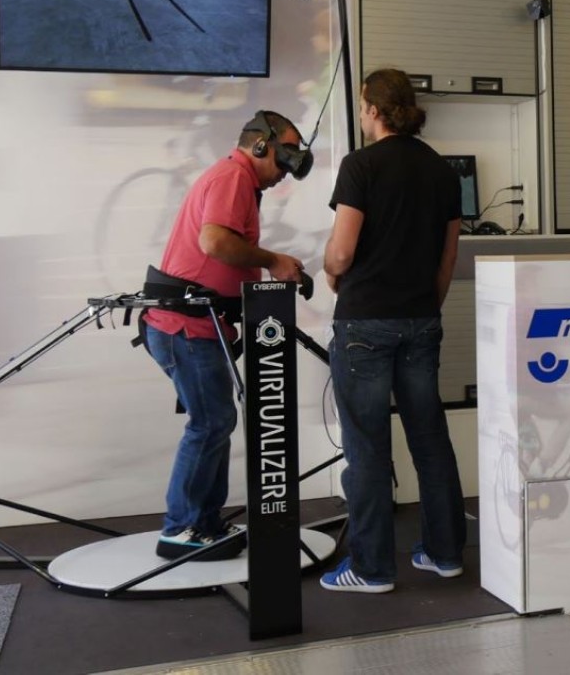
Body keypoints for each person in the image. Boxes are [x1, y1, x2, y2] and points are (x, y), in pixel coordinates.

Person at [319, 68, 466, 594]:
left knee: (367, 448)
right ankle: (445, 554)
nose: (361, 114)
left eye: (363, 106)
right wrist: (426, 308)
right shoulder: (443, 172)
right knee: (430, 440)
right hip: (421, 320)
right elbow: (448, 258)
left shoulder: (360, 165)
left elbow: (341, 252)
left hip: (364, 322)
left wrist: (330, 271)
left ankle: (372, 569)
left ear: (374, 110)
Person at [143, 110, 310, 561]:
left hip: (198, 326)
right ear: (260, 145)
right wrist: (273, 260)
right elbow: (214, 242)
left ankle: (203, 522)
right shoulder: (233, 177)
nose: (289, 167)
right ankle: (181, 529)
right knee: (211, 422)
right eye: (286, 154)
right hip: (187, 327)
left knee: (216, 421)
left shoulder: (237, 180)